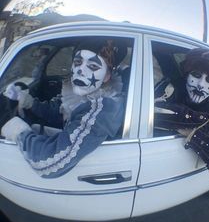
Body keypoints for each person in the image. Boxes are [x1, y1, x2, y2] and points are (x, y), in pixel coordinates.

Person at [1, 40, 125, 178]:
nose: (81, 70)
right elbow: (60, 113)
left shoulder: (103, 110)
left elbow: (48, 163)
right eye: (77, 62)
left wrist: (19, 131)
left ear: (107, 76)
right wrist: (30, 103)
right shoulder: (82, 92)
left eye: (93, 66)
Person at [155, 47, 209, 180]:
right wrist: (204, 121)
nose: (200, 85)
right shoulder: (169, 90)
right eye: (196, 75)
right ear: (187, 74)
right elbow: (151, 114)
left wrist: (195, 135)